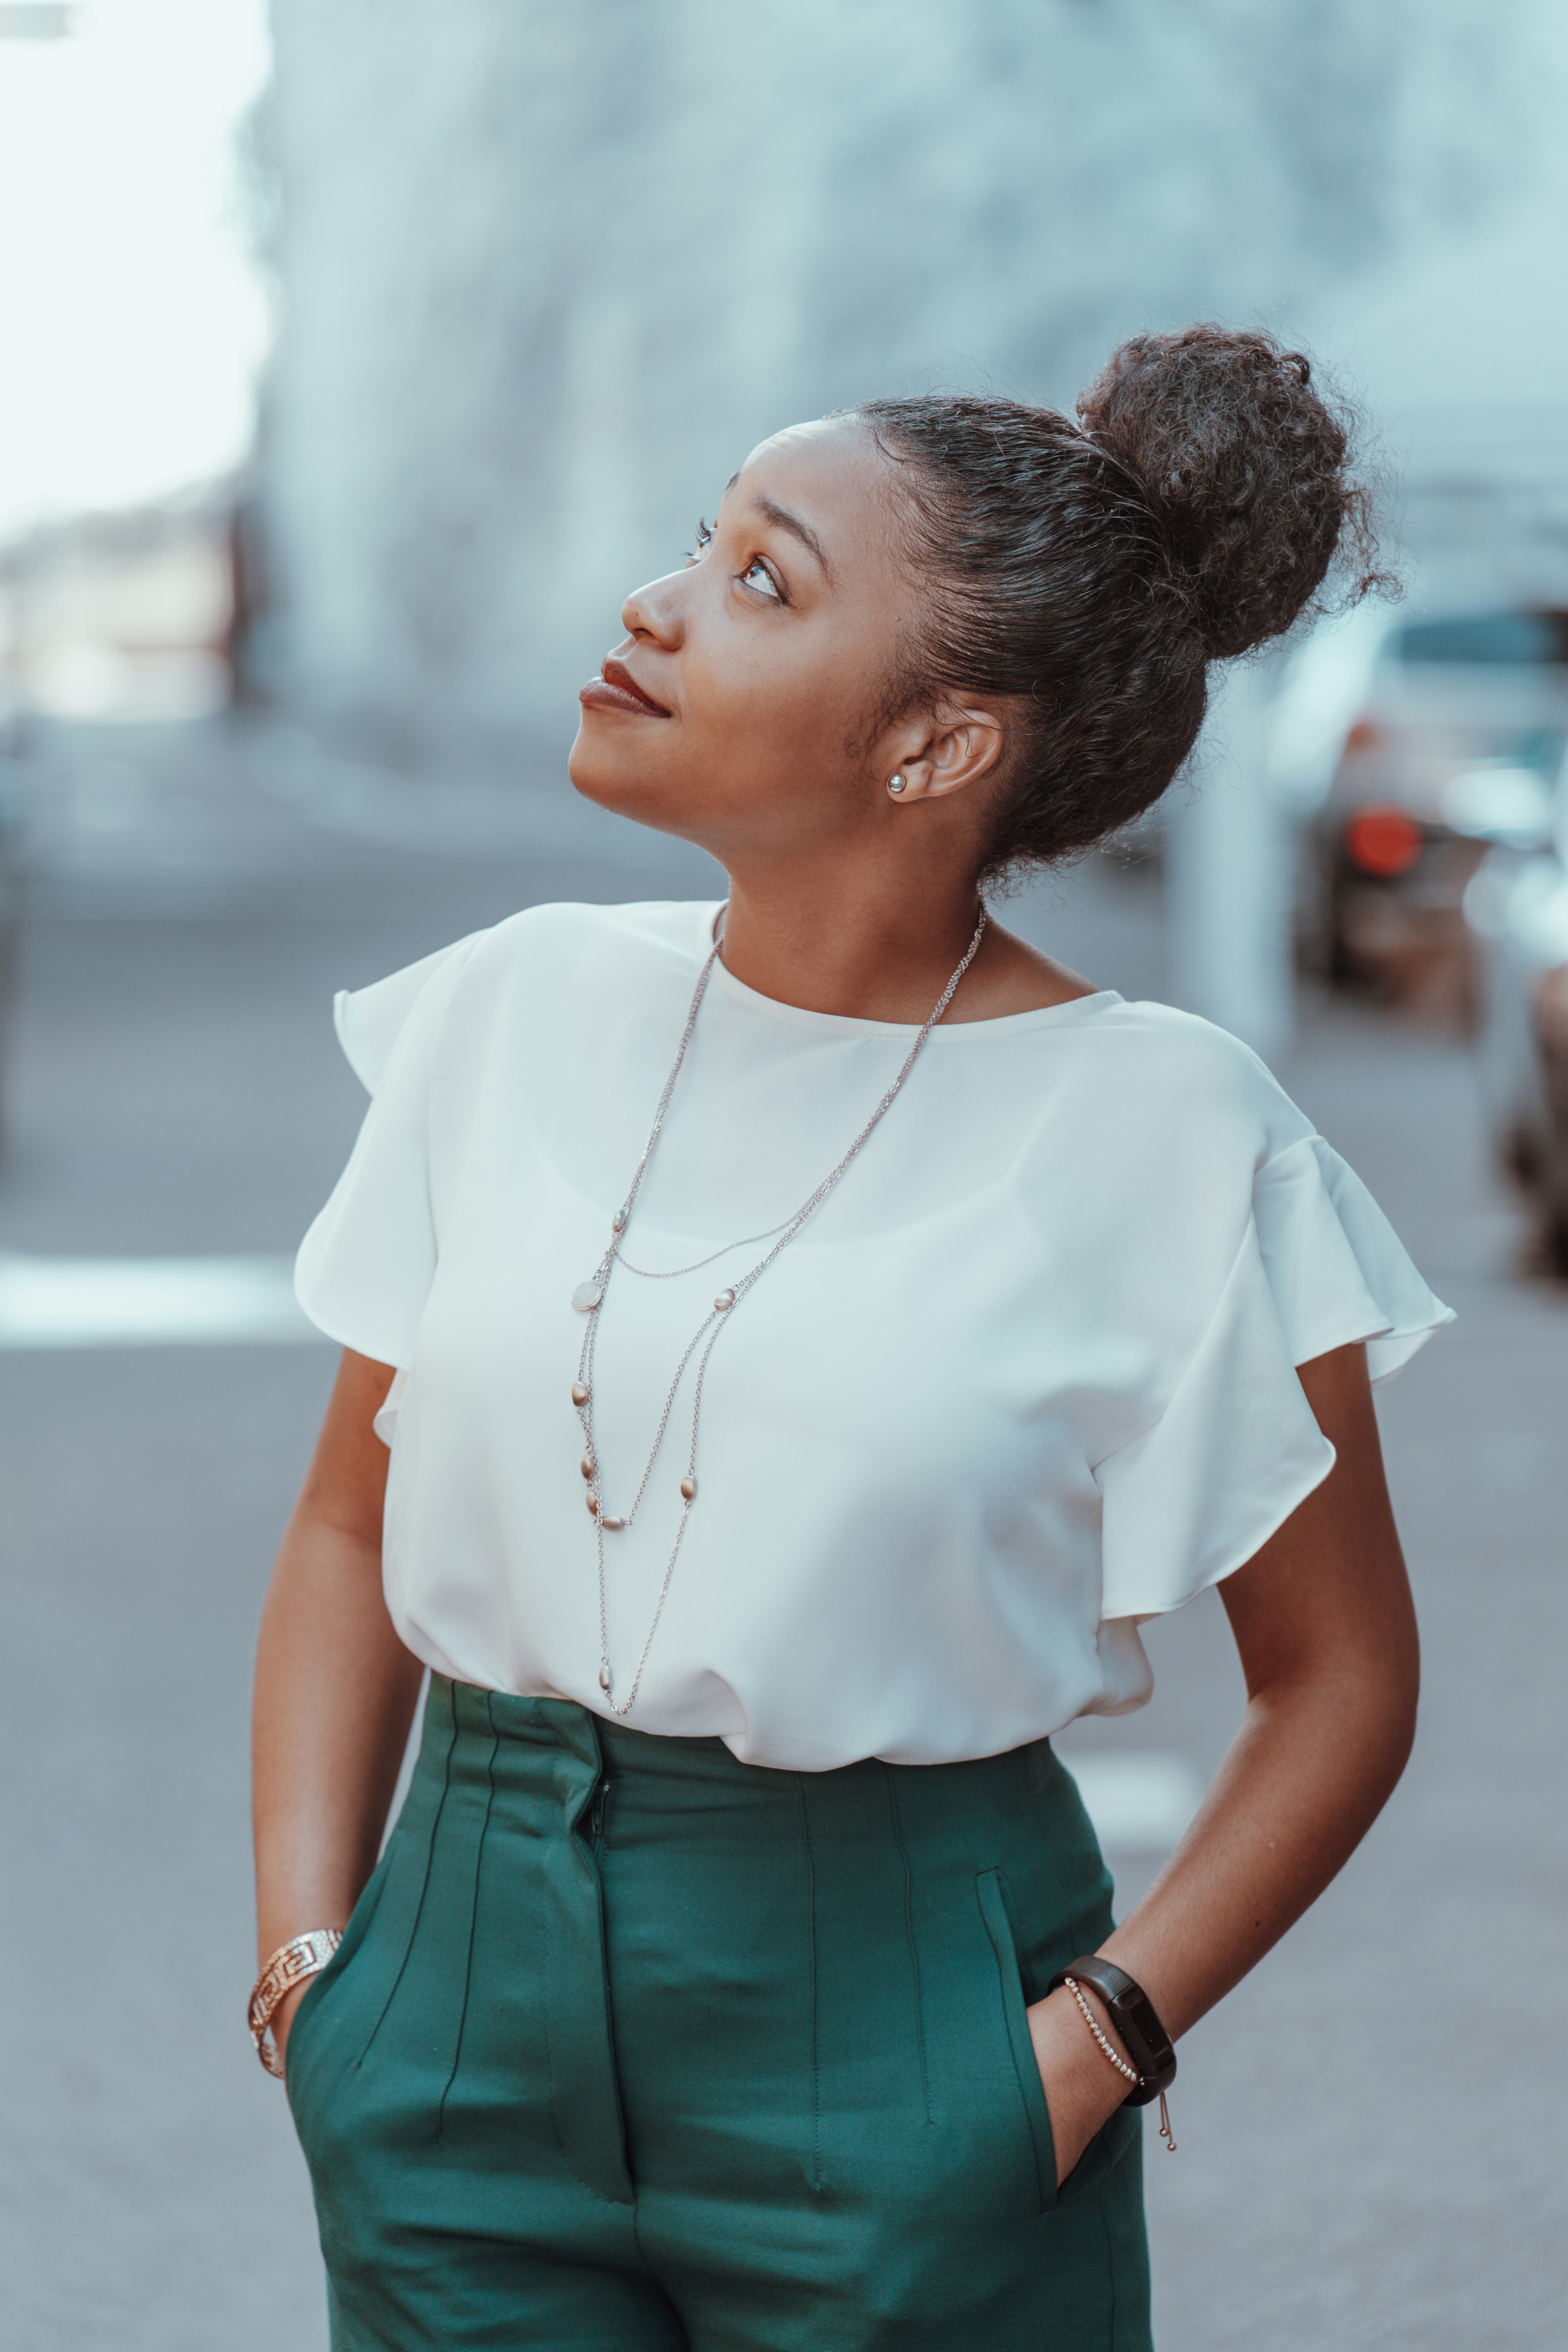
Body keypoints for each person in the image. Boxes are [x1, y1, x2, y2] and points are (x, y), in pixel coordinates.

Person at [252, 325, 1448, 2352]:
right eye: (697, 542)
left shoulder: (1164, 1129)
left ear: (935, 747)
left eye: (760, 579)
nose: (657, 603)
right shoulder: (509, 1013)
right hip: (455, 1991)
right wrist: (314, 1970)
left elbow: (1339, 1682)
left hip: (905, 2010)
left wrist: (1090, 2049)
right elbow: (350, 1534)